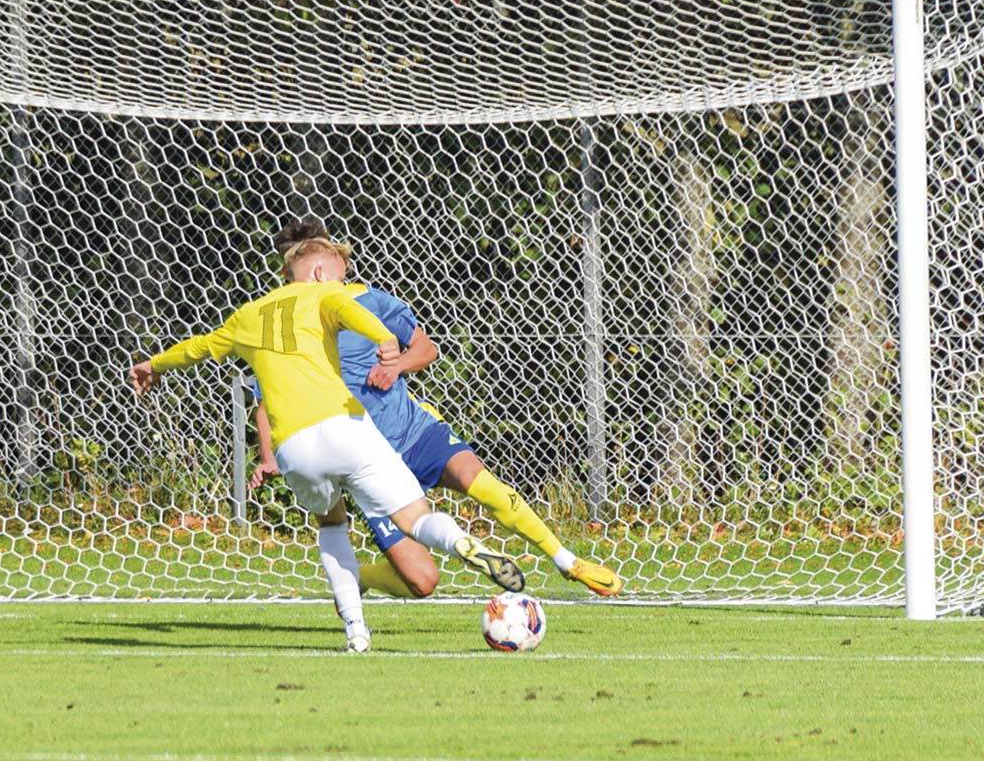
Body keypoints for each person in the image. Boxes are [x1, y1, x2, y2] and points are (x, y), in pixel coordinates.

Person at [128, 237, 524, 652]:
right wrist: (385, 340)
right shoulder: (323, 295)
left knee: (332, 525)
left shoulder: (247, 316)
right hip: (346, 426)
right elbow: (352, 310)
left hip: (295, 447)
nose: (343, 282)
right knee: (415, 518)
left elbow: (199, 348)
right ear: (318, 273)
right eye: (339, 274)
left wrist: (153, 365)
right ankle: (461, 544)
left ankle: (355, 631)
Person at [248, 219, 622, 599]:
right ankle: (357, 577)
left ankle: (568, 562)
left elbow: (426, 349)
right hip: (367, 460)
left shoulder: (371, 301)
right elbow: (266, 403)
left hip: (414, 432)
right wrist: (268, 456)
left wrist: (396, 367)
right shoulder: (285, 331)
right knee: (421, 581)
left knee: (484, 484)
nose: (344, 281)